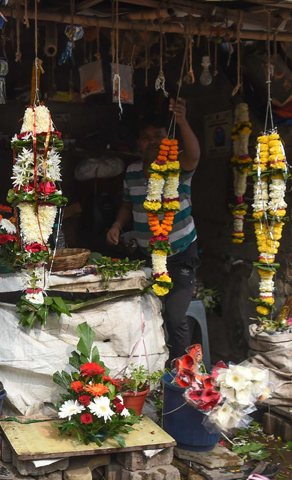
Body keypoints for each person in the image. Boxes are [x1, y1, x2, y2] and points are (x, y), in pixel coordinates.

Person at [106, 99, 201, 360]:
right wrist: (117, 225)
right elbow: (128, 205)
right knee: (147, 311)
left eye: (158, 136)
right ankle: (152, 366)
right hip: (147, 254)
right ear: (138, 143)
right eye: (146, 138)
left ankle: (181, 372)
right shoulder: (133, 172)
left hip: (181, 251)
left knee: (174, 314)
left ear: (169, 139)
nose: (153, 142)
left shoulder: (177, 168)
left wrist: (181, 121)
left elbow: (194, 155)